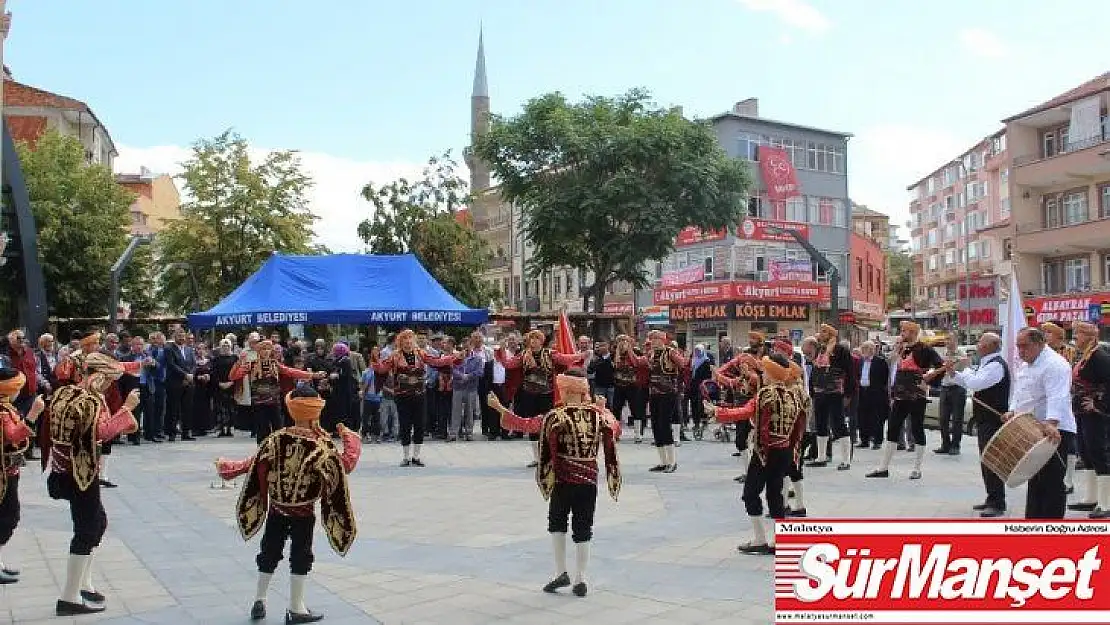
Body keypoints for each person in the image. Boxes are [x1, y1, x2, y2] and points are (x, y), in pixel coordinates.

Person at [216, 386, 361, 623]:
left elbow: (253, 464)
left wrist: (228, 467)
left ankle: (259, 600)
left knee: (269, 551)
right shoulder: (321, 445)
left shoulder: (275, 439)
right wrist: (350, 437)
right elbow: (346, 465)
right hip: (303, 512)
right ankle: (296, 607)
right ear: (315, 412)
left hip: (276, 509)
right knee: (301, 555)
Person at [487, 370, 621, 597]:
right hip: (588, 478)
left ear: (567, 389)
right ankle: (581, 578)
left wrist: (500, 409)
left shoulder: (555, 416)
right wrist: (604, 408)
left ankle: (561, 572)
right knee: (583, 526)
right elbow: (615, 429)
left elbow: (526, 424)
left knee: (557, 523)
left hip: (563, 478)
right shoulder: (598, 415)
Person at [42, 353, 140, 615]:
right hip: (80, 473)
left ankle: (83, 584)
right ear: (98, 377)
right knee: (86, 530)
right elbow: (103, 432)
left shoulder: (67, 393)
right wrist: (127, 408)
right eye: (108, 380)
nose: (109, 386)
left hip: (67, 470)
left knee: (98, 523)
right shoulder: (89, 401)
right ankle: (69, 596)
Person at [707, 353, 808, 555]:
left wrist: (717, 413)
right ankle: (778, 540)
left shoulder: (766, 394)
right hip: (785, 450)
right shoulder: (796, 394)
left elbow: (744, 412)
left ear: (770, 373)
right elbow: (800, 427)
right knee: (775, 494)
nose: (761, 373)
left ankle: (760, 538)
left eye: (764, 370)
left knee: (750, 493)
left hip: (765, 451)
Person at [1002, 327, 1074, 519]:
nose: (1020, 351)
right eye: (1018, 347)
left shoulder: (1055, 364)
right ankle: (1033, 524)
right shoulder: (1026, 365)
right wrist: (1012, 412)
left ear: (1040, 343)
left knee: (1051, 482)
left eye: (1024, 346)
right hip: (1032, 428)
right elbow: (1020, 394)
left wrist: (1051, 422)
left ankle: (1050, 529)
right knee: (1035, 479)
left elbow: (1057, 396)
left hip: (1055, 430)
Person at [373, 329, 461, 466]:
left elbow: (436, 362)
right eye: (405, 340)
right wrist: (374, 358)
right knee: (405, 425)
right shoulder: (395, 356)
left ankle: (416, 456)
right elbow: (382, 369)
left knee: (420, 425)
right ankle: (406, 457)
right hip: (402, 396)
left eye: (410, 340)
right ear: (400, 342)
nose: (408, 343)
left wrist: (454, 357)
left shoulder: (421, 353)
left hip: (419, 394)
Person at [867, 322, 944, 480]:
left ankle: (917, 468)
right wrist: (897, 348)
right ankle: (884, 467)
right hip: (900, 395)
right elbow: (891, 362)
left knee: (917, 429)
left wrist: (928, 381)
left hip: (917, 395)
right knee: (893, 428)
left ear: (913, 332)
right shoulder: (902, 348)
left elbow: (940, 366)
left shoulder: (925, 349)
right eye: (901, 331)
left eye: (905, 331)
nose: (902, 334)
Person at [498, 330, 585, 468]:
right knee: (532, 425)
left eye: (536, 338)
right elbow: (508, 364)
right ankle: (537, 458)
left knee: (548, 424)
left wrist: (581, 355)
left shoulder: (550, 354)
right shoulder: (523, 355)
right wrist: (501, 350)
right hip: (529, 395)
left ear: (541, 340)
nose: (533, 341)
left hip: (547, 394)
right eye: (531, 339)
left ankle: (549, 456)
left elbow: (565, 359)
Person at [947, 332, 1009, 518]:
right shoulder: (987, 363)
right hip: (984, 419)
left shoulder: (996, 365)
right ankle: (992, 497)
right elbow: (970, 379)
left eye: (981, 342)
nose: (977, 344)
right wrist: (953, 374)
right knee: (986, 460)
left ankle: (998, 502)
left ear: (991, 345)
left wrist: (965, 368)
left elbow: (976, 383)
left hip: (993, 420)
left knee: (993, 460)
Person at [229, 340, 323, 445]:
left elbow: (290, 372)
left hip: (274, 402)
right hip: (259, 403)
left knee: (278, 430)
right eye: (263, 349)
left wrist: (312, 375)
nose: (266, 351)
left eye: (268, 349)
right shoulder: (251, 364)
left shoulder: (275, 364)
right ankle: (263, 455)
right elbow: (233, 376)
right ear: (259, 351)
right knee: (262, 432)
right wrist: (238, 363)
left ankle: (280, 453)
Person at [0, 368, 45, 584]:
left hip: (10, 469)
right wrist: (33, 414)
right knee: (7, 516)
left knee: (8, 514)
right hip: (3, 470)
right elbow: (12, 436)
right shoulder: (2, 411)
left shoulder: (7, 407)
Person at [625, 330, 687, 472]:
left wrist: (680, 358)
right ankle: (663, 461)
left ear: (662, 340)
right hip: (654, 394)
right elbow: (637, 362)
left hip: (668, 393)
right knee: (656, 426)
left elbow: (683, 364)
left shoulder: (670, 352)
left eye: (656, 339)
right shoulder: (651, 354)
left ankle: (672, 462)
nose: (653, 341)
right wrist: (629, 348)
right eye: (651, 339)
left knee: (664, 425)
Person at [1067, 321, 1110, 518]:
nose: (1076, 338)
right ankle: (1091, 498)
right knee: (1085, 451)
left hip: (1096, 413)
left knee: (1098, 452)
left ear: (1091, 336)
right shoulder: (1085, 356)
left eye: (1079, 334)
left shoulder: (1099, 356)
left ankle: (1106, 502)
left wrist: (1098, 404)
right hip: (1082, 411)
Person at [806, 324, 856, 471]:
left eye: (824, 332)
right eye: (821, 332)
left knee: (839, 424)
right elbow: (814, 371)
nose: (821, 334)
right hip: (820, 392)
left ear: (832, 334)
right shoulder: (820, 350)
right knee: (821, 424)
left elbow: (850, 373)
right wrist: (812, 391)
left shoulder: (841, 350)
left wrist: (848, 394)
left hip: (835, 392)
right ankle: (821, 456)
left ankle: (846, 460)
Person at [934, 335, 967, 456]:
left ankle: (955, 445)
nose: (947, 342)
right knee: (943, 419)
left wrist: (949, 365)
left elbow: (958, 370)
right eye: (946, 340)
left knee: (957, 419)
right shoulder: (942, 354)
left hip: (957, 389)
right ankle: (945, 444)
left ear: (956, 341)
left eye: (950, 340)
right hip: (945, 388)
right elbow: (938, 369)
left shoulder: (962, 354)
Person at [855, 341, 889, 450]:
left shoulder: (880, 361)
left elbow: (884, 378)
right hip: (862, 392)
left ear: (872, 350)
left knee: (877, 417)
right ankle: (864, 440)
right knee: (862, 416)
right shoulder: (860, 361)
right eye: (863, 348)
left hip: (876, 392)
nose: (864, 350)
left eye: (867, 348)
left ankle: (877, 440)